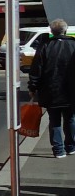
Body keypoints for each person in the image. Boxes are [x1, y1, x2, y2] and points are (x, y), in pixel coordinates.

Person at [27, 18, 75, 158]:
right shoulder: (73, 44)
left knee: (54, 120)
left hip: (51, 90)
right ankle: (71, 147)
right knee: (70, 118)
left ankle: (58, 150)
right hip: (71, 91)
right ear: (65, 30)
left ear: (51, 31)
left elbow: (36, 69)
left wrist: (33, 87)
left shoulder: (45, 46)